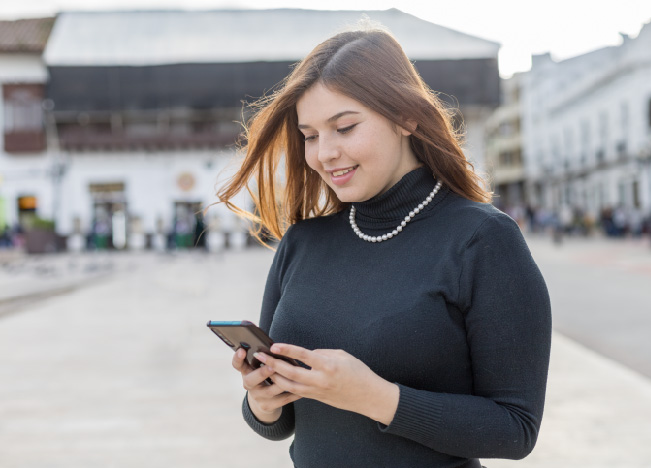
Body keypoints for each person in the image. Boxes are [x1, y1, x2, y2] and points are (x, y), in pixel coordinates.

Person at [216, 26, 551, 468]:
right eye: (311, 135)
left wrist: (376, 398)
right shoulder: (302, 243)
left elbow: (515, 428)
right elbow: (280, 424)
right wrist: (263, 401)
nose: (325, 153)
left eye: (345, 127)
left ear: (405, 117)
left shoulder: (482, 240)